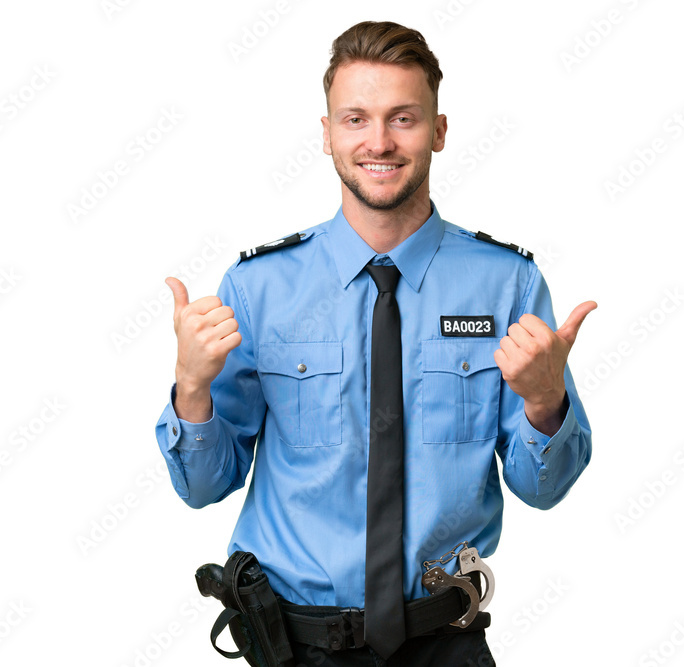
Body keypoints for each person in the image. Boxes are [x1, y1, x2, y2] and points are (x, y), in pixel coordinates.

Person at [155, 20, 595, 666]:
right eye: (356, 119)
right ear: (328, 134)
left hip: (446, 646)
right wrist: (192, 388)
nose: (379, 141)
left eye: (404, 118)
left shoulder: (506, 284)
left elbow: (544, 488)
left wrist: (544, 403)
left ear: (439, 131)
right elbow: (203, 485)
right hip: (294, 648)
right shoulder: (259, 288)